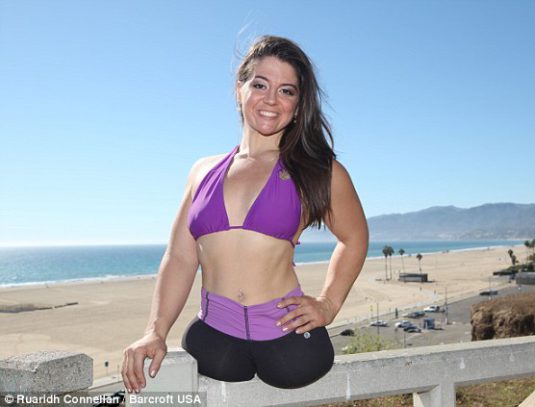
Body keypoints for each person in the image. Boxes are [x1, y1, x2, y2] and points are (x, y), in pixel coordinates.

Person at [121, 35, 368, 392]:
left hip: (290, 343)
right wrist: (154, 332)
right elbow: (180, 258)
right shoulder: (202, 171)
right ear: (240, 89)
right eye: (260, 85)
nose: (271, 99)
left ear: (299, 105)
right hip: (213, 341)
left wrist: (328, 304)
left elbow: (354, 237)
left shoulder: (319, 172)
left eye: (286, 91)